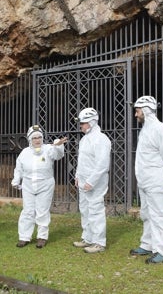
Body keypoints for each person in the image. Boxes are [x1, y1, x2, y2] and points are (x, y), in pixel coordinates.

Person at [130, 95, 163, 264]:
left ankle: (162, 251)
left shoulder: (160, 129)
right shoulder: (146, 129)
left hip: (156, 179)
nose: (136, 115)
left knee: (159, 215)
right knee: (146, 213)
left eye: (137, 111)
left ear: (145, 110)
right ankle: (147, 244)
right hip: (145, 180)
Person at [11, 125, 68, 249]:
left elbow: (58, 155)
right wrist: (16, 180)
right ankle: (24, 237)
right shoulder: (25, 152)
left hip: (45, 184)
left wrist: (58, 145)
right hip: (28, 185)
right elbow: (19, 168)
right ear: (29, 140)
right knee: (28, 211)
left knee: (42, 211)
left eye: (39, 137)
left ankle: (42, 237)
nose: (37, 140)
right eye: (34, 138)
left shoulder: (48, 149)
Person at [72, 108, 112, 253]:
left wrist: (91, 181)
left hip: (95, 183)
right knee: (85, 209)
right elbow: (81, 161)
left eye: (83, 123)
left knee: (95, 210)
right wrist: (77, 176)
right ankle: (88, 238)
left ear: (92, 122)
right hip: (84, 181)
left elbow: (102, 164)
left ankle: (99, 242)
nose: (80, 126)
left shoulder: (101, 139)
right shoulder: (84, 139)